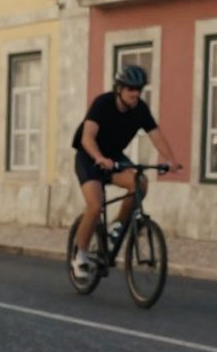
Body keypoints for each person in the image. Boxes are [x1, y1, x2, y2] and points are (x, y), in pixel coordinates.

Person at [70, 65, 183, 280]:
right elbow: (87, 137)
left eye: (139, 89)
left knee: (140, 183)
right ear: (119, 89)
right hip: (89, 157)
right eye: (131, 89)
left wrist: (170, 160)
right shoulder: (103, 103)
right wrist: (99, 158)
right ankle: (81, 255)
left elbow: (156, 135)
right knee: (95, 207)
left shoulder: (140, 109)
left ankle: (118, 225)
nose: (135, 94)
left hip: (113, 157)